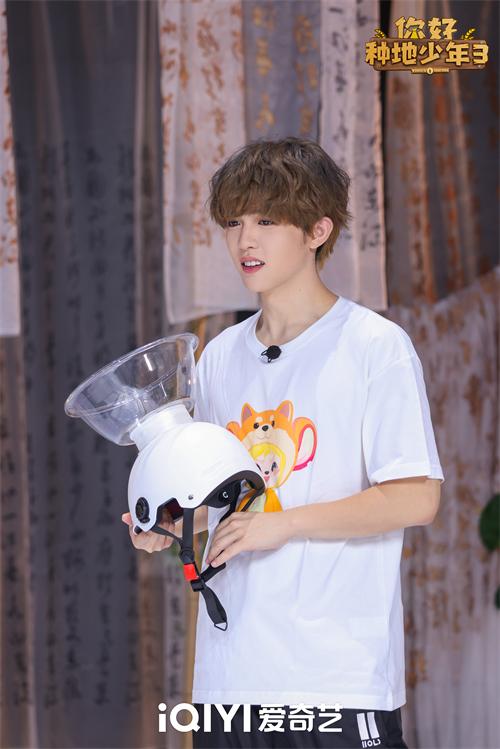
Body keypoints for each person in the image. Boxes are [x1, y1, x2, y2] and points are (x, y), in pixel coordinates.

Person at [123, 137, 445, 748]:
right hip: (229, 679)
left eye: (267, 221)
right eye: (234, 222)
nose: (246, 240)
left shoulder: (374, 345)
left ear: (318, 230)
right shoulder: (220, 356)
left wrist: (284, 524)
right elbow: (222, 502)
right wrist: (169, 526)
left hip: (335, 679)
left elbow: (416, 497)